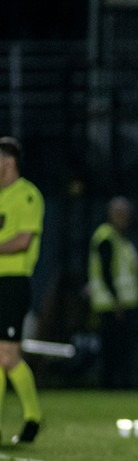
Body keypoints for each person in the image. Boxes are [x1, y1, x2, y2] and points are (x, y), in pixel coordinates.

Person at [0, 137, 44, 444]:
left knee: (8, 356)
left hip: (13, 283)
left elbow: (24, 240)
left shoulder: (27, 195)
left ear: (9, 162)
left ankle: (33, 417)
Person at [88, 196, 138, 388]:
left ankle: (118, 384)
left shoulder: (120, 239)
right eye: (121, 214)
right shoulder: (106, 237)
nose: (125, 218)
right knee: (112, 348)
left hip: (122, 302)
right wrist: (116, 300)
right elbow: (105, 272)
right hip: (111, 304)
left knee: (121, 347)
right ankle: (110, 385)